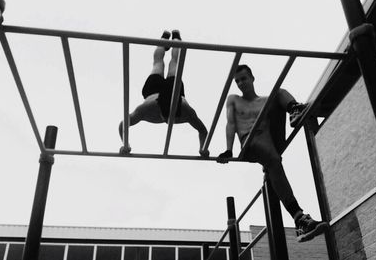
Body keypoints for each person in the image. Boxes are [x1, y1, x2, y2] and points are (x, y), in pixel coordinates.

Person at [216, 64, 326, 242]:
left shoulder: (264, 101)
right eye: (237, 81)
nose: (240, 83)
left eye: (243, 78)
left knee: (278, 91)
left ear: (252, 78)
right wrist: (229, 149)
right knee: (273, 162)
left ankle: (294, 110)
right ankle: (299, 217)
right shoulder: (234, 99)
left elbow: (273, 118)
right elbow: (230, 123)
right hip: (250, 143)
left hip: (271, 140)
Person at [118, 30, 209, 157]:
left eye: (169, 116)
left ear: (178, 110)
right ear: (158, 106)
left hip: (171, 90)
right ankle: (169, 40)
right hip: (154, 92)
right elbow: (123, 124)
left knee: (167, 64)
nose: (166, 120)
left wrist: (203, 148)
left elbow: (203, 130)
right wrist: (125, 144)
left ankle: (169, 40)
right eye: (165, 116)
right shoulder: (146, 109)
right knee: (167, 63)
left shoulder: (186, 110)